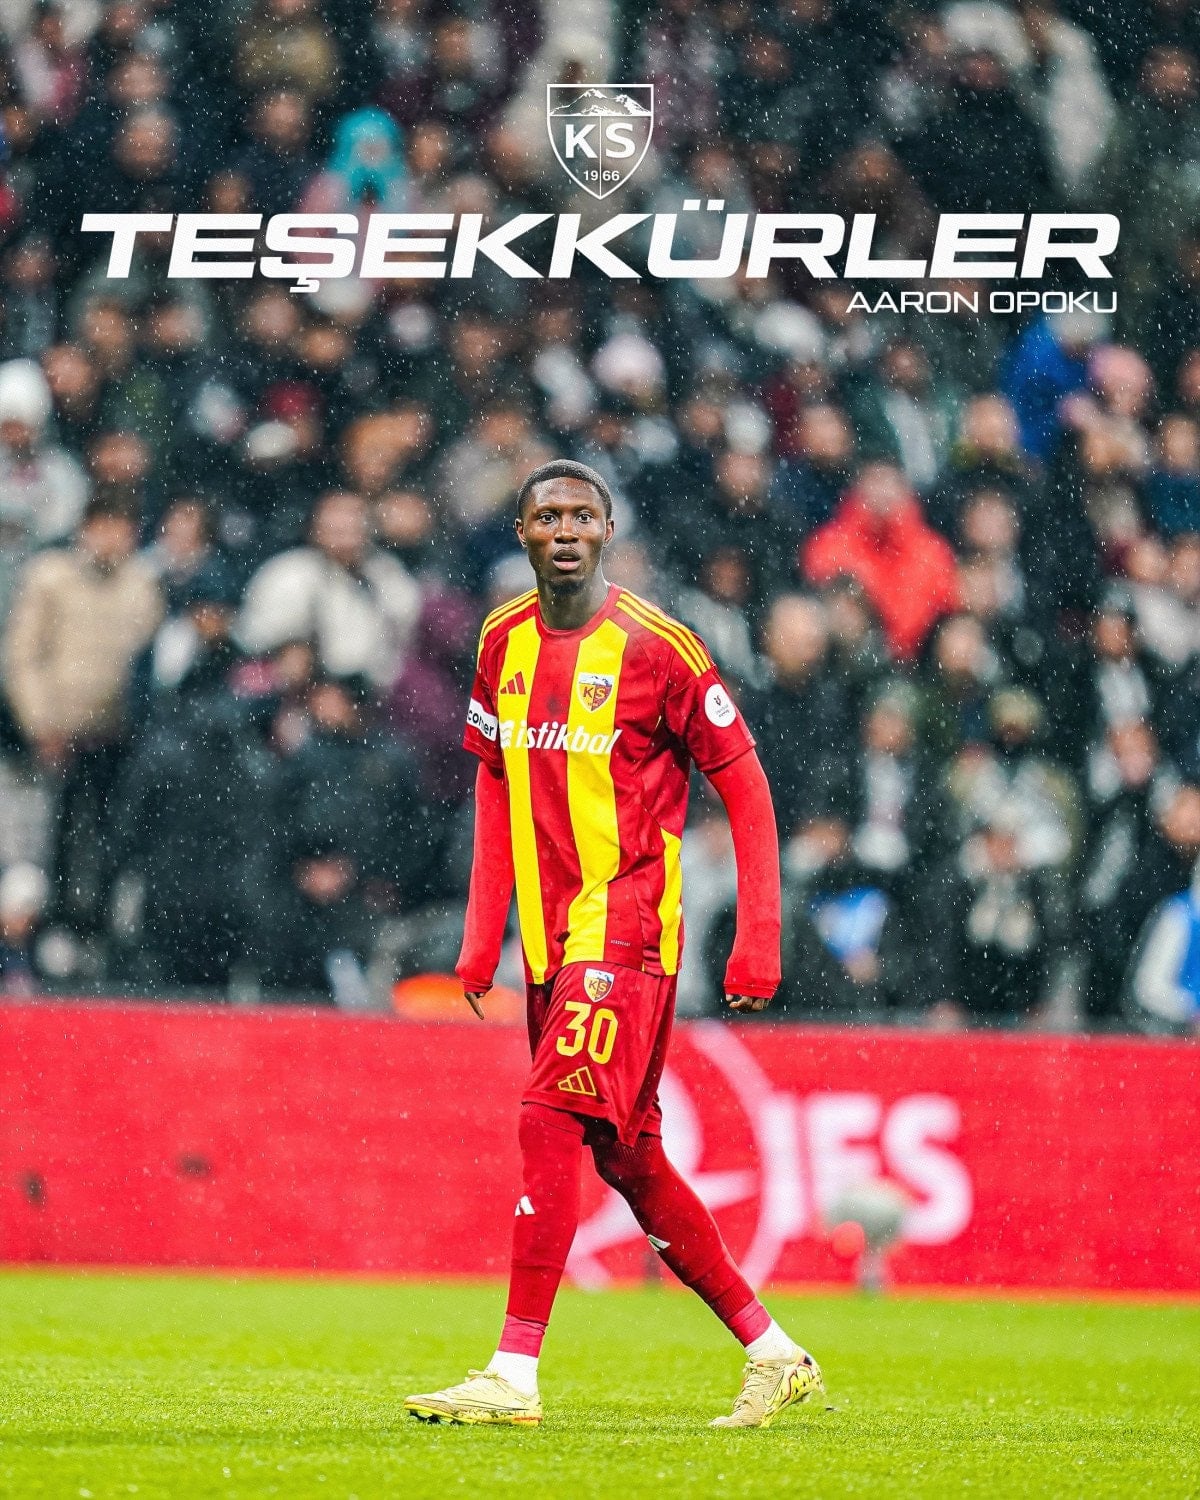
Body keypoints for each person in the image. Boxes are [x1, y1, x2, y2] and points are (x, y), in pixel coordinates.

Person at [405, 460, 822, 1430]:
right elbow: (496, 783)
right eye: (547, 515)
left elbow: (746, 784)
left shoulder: (658, 646)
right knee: (629, 1157)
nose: (565, 530)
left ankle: (513, 1373)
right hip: (552, 942)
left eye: (581, 516)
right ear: (521, 532)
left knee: (547, 1119)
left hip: (626, 926)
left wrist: (758, 941)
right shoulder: (501, 640)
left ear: (606, 530)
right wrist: (482, 937)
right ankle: (774, 1352)